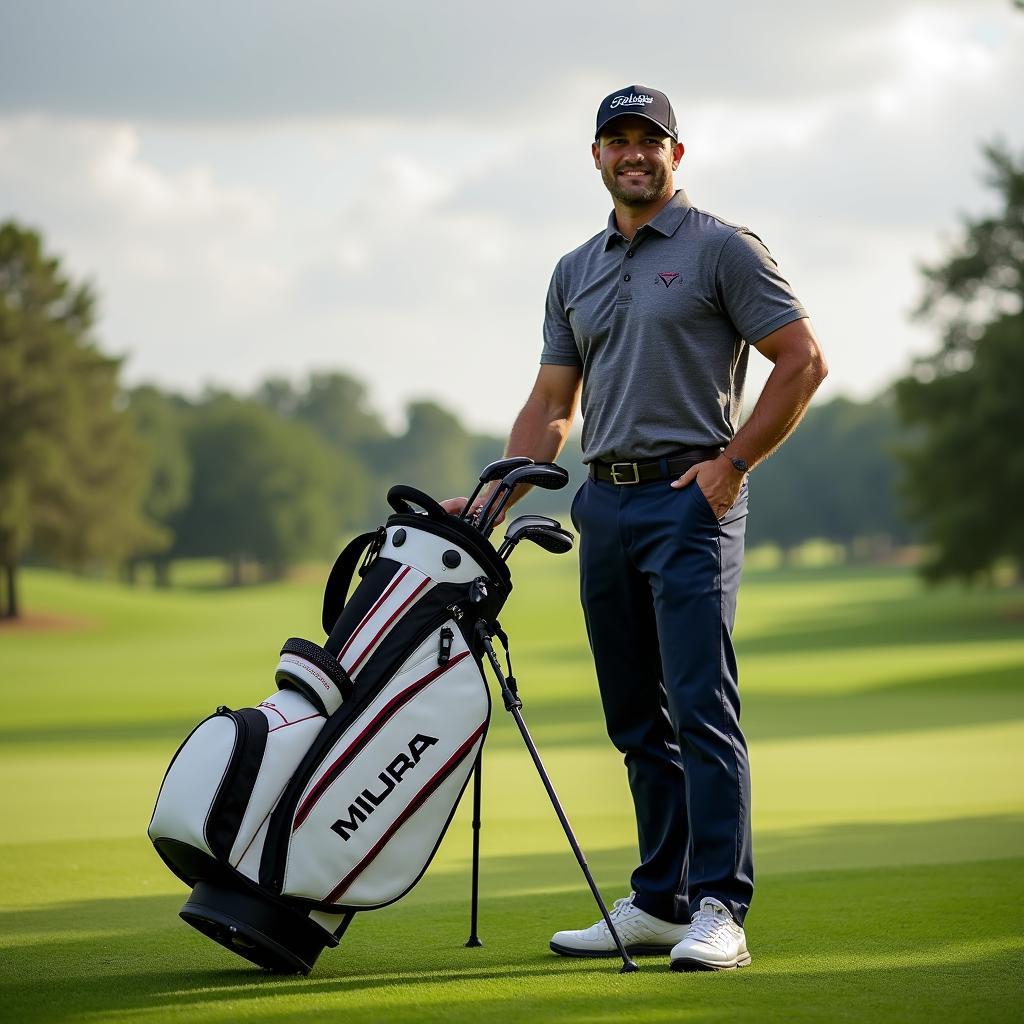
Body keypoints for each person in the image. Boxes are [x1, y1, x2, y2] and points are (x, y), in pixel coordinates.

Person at [444, 84, 827, 971]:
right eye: (616, 141)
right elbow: (551, 401)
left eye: (649, 140)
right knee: (634, 716)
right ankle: (659, 901)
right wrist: (493, 496)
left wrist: (732, 469)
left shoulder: (722, 249)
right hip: (604, 506)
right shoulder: (573, 269)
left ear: (676, 155)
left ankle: (719, 908)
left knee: (701, 706)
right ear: (596, 158)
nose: (633, 154)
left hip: (690, 500)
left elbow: (801, 360)